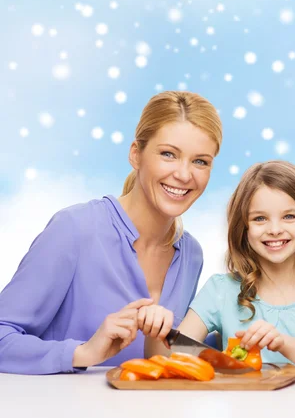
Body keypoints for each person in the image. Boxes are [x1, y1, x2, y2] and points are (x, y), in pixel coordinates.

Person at [0, 91, 222, 374]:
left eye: (200, 161)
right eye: (168, 154)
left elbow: (170, 356)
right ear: (136, 154)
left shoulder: (191, 254)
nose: (184, 174)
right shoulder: (75, 229)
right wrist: (83, 352)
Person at [144, 161, 295, 367]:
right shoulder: (220, 290)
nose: (274, 229)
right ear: (244, 227)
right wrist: (156, 330)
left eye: (289, 216)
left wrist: (281, 343)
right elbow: (172, 359)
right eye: (260, 219)